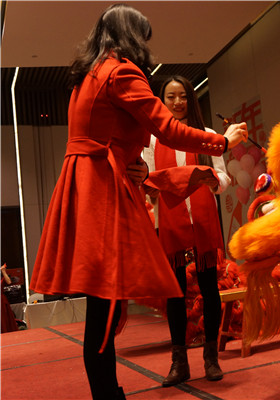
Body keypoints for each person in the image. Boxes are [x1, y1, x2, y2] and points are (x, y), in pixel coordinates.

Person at [28, 4, 247, 400]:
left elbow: (107, 133)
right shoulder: (121, 71)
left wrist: (132, 163)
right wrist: (223, 141)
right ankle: (107, 393)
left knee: (103, 302)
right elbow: (167, 129)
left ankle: (109, 390)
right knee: (106, 303)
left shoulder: (89, 74)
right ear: (132, 36)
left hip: (86, 182)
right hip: (103, 187)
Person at [142, 75, 230, 385]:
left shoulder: (207, 135)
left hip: (203, 219)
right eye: (171, 97)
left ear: (190, 99)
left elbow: (224, 177)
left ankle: (211, 358)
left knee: (210, 289)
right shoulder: (153, 139)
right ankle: (179, 362)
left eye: (182, 96)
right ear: (162, 101)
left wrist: (213, 181)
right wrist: (153, 185)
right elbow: (148, 179)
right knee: (175, 294)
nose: (177, 102)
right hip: (169, 220)